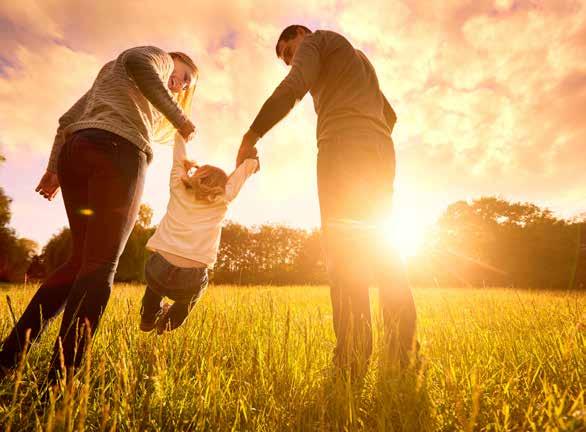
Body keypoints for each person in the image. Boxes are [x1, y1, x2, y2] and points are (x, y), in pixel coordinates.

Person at [0, 46, 198, 383]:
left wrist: (53, 169)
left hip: (77, 152)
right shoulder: (156, 57)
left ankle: (7, 358)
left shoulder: (111, 78)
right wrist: (180, 118)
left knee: (80, 262)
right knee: (100, 266)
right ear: (171, 60)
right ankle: (60, 383)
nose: (178, 85)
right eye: (181, 76)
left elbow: (66, 122)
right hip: (118, 152)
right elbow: (139, 62)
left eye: (185, 85)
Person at [236, 25, 417, 370]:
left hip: (343, 148)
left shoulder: (317, 41)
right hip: (380, 149)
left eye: (290, 52)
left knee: (346, 254)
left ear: (302, 35)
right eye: (288, 59)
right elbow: (389, 115)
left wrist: (252, 134)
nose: (292, 61)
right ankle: (402, 356)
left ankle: (351, 359)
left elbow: (294, 86)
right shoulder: (358, 59)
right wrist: (368, 132)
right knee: (385, 251)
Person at [139, 134, 258, 334]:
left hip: (159, 267)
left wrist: (181, 135)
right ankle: (167, 324)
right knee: (188, 300)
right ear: (222, 186)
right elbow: (242, 175)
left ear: (197, 176)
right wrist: (251, 160)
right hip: (191, 277)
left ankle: (148, 317)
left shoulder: (178, 186)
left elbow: (178, 158)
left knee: (154, 286)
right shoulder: (223, 199)